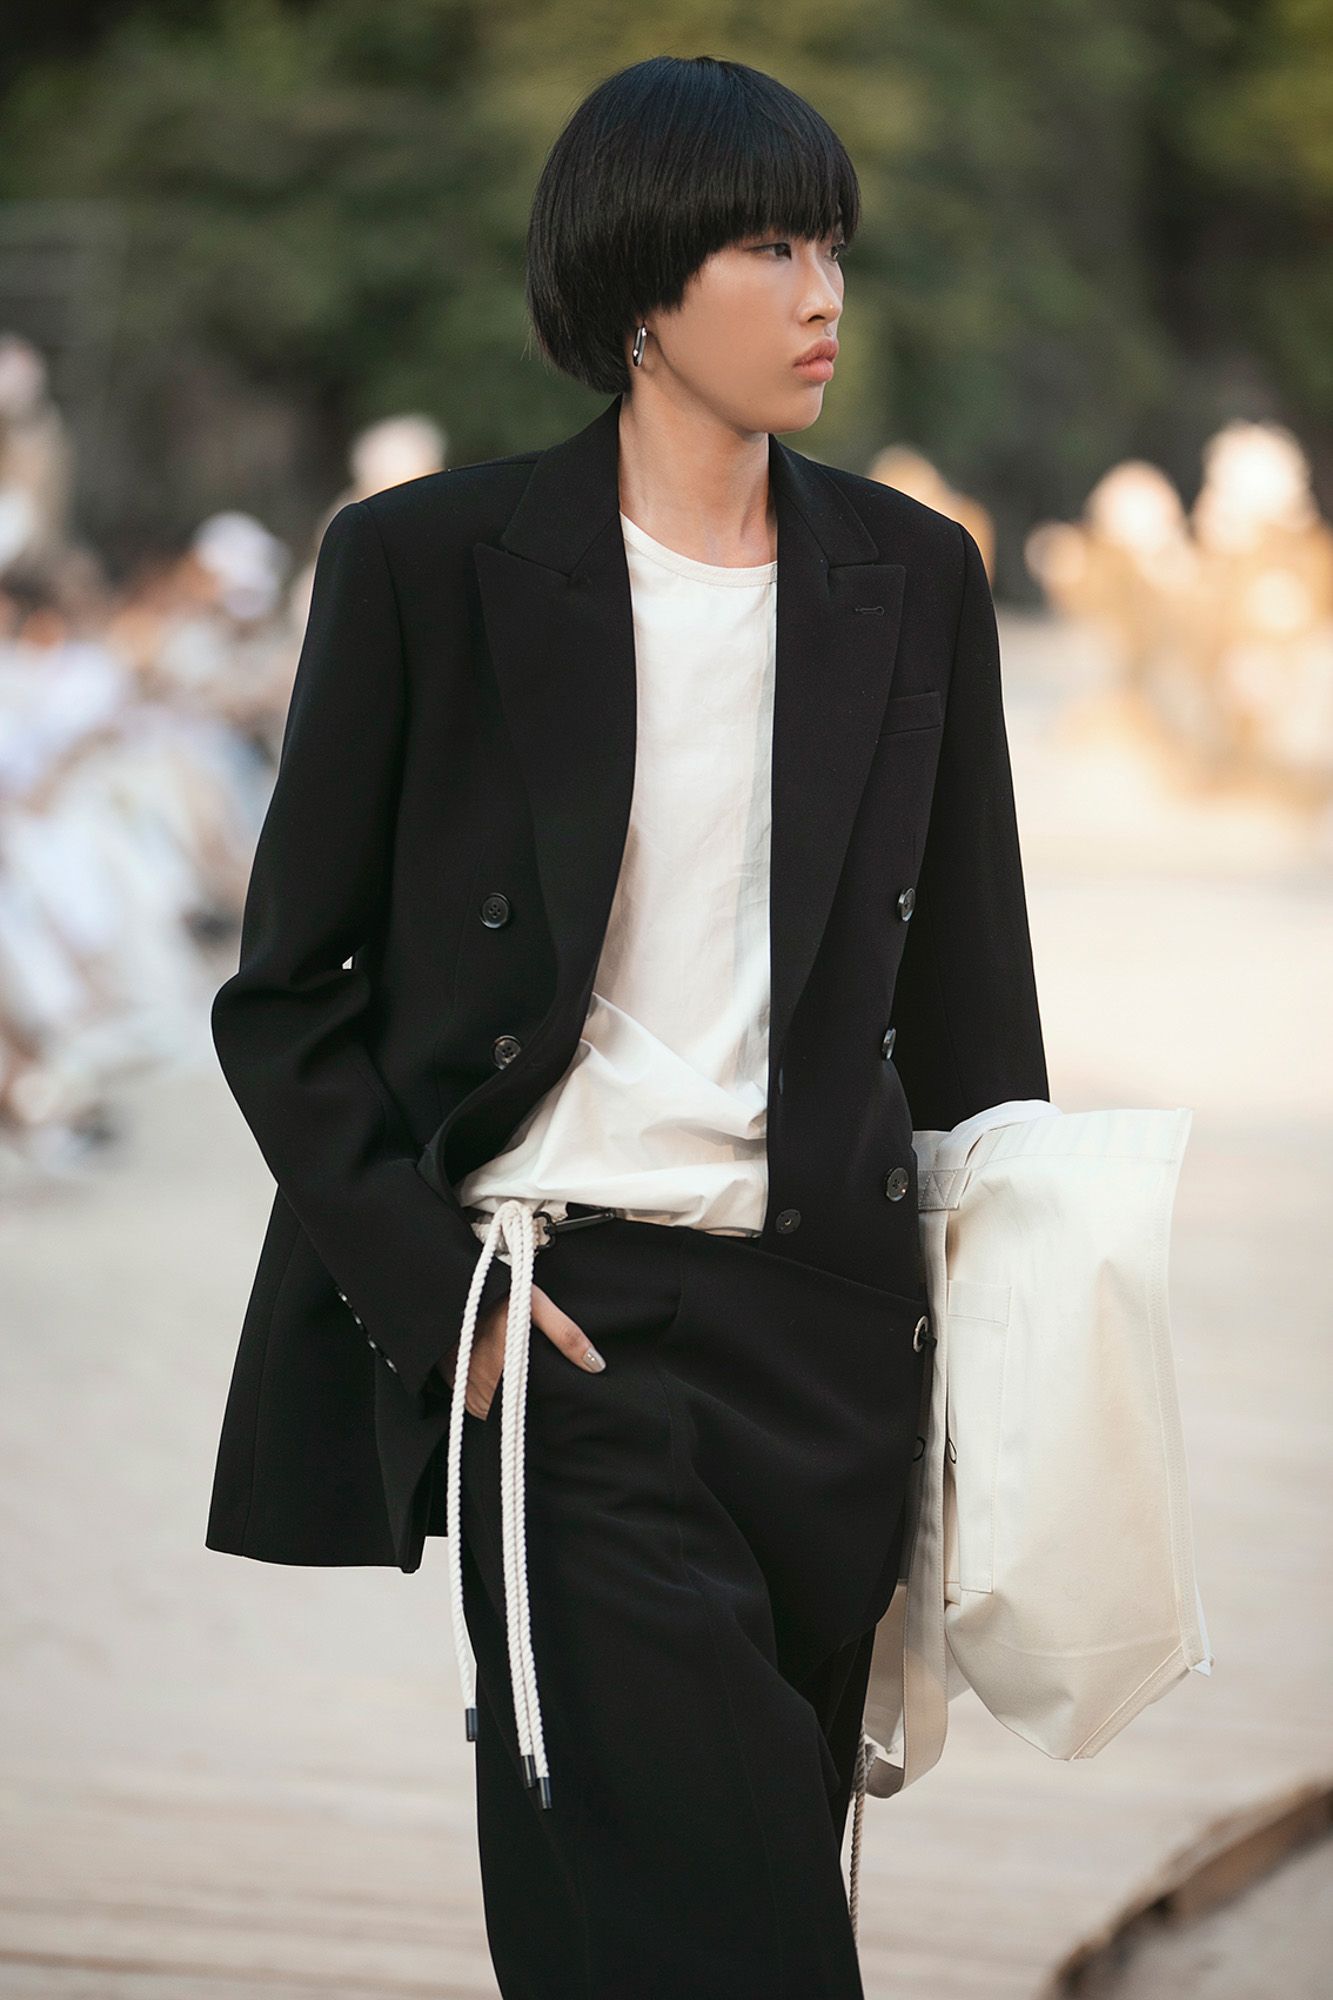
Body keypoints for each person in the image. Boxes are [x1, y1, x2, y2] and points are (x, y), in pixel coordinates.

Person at [207, 54, 1046, 2000]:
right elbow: (287, 1001)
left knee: (663, 1906)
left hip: (830, 1342)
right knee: (732, 1928)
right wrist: (447, 1309)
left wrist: (994, 1366)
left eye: (830, 246)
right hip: (562, 1336)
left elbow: (974, 1014)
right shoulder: (423, 566)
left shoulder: (910, 578)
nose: (823, 294)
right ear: (638, 287)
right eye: (770, 249)